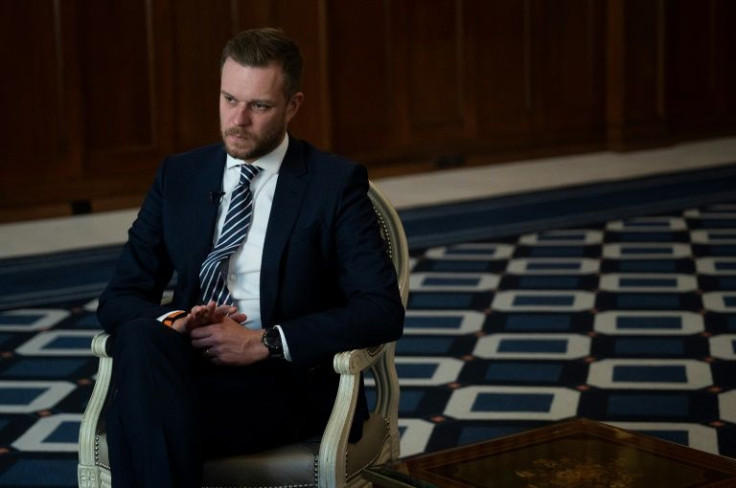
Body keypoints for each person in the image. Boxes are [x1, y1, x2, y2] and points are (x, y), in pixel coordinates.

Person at [98, 27, 404, 488]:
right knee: (142, 339)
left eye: (258, 106)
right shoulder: (178, 176)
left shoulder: (333, 185)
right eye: (228, 100)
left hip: (281, 381)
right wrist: (178, 322)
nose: (237, 120)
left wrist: (263, 341)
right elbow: (118, 298)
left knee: (141, 416)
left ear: (292, 106)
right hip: (182, 368)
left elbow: (381, 310)